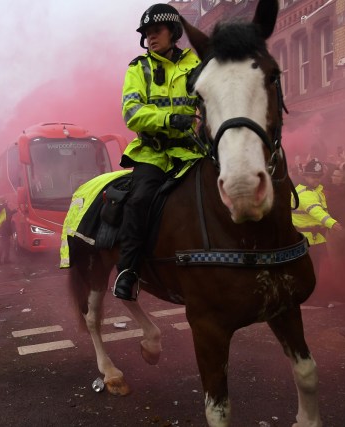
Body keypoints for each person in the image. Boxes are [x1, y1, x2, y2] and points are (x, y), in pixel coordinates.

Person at [112, 3, 202, 301]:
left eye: (157, 31)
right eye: (147, 33)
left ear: (174, 32)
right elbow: (132, 112)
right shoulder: (139, 69)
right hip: (153, 154)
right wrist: (168, 119)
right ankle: (128, 271)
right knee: (138, 202)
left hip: (192, 151)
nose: (151, 37)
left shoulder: (197, 65)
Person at [291, 158, 344, 278]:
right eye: (313, 177)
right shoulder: (305, 194)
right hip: (307, 241)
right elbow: (316, 211)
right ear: (305, 176)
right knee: (309, 273)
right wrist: (332, 223)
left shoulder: (314, 190)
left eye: (319, 176)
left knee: (313, 271)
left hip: (312, 239)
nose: (317, 179)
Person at [0, 196, 17, 265]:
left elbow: (9, 214)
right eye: (5, 200)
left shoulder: (5, 207)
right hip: (1, 228)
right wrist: (4, 204)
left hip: (7, 227)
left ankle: (6, 259)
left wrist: (15, 210)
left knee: (7, 244)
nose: (6, 201)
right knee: (3, 244)